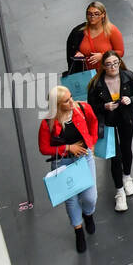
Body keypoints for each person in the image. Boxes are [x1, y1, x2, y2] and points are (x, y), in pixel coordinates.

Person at [38, 85, 100, 253]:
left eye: (71, 97)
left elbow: (94, 122)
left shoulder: (82, 108)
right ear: (57, 105)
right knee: (71, 200)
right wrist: (68, 148)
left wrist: (92, 141)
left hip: (84, 158)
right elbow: (44, 148)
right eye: (67, 101)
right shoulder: (47, 123)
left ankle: (88, 214)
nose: (72, 101)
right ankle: (78, 230)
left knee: (90, 196)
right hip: (62, 163)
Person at [86, 50, 133, 212]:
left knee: (126, 149)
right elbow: (91, 107)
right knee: (114, 156)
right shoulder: (96, 85)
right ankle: (119, 191)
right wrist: (104, 106)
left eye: (115, 63)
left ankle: (127, 177)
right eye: (109, 64)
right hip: (108, 122)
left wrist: (130, 99)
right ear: (103, 66)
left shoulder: (128, 76)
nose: (113, 67)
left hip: (126, 118)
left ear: (119, 63)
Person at [65, 0, 125, 74]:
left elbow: (120, 52)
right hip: (85, 74)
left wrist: (103, 56)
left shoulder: (112, 30)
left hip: (107, 73)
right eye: (89, 14)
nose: (92, 16)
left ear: (103, 15)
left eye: (96, 14)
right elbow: (71, 48)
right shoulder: (78, 31)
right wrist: (77, 53)